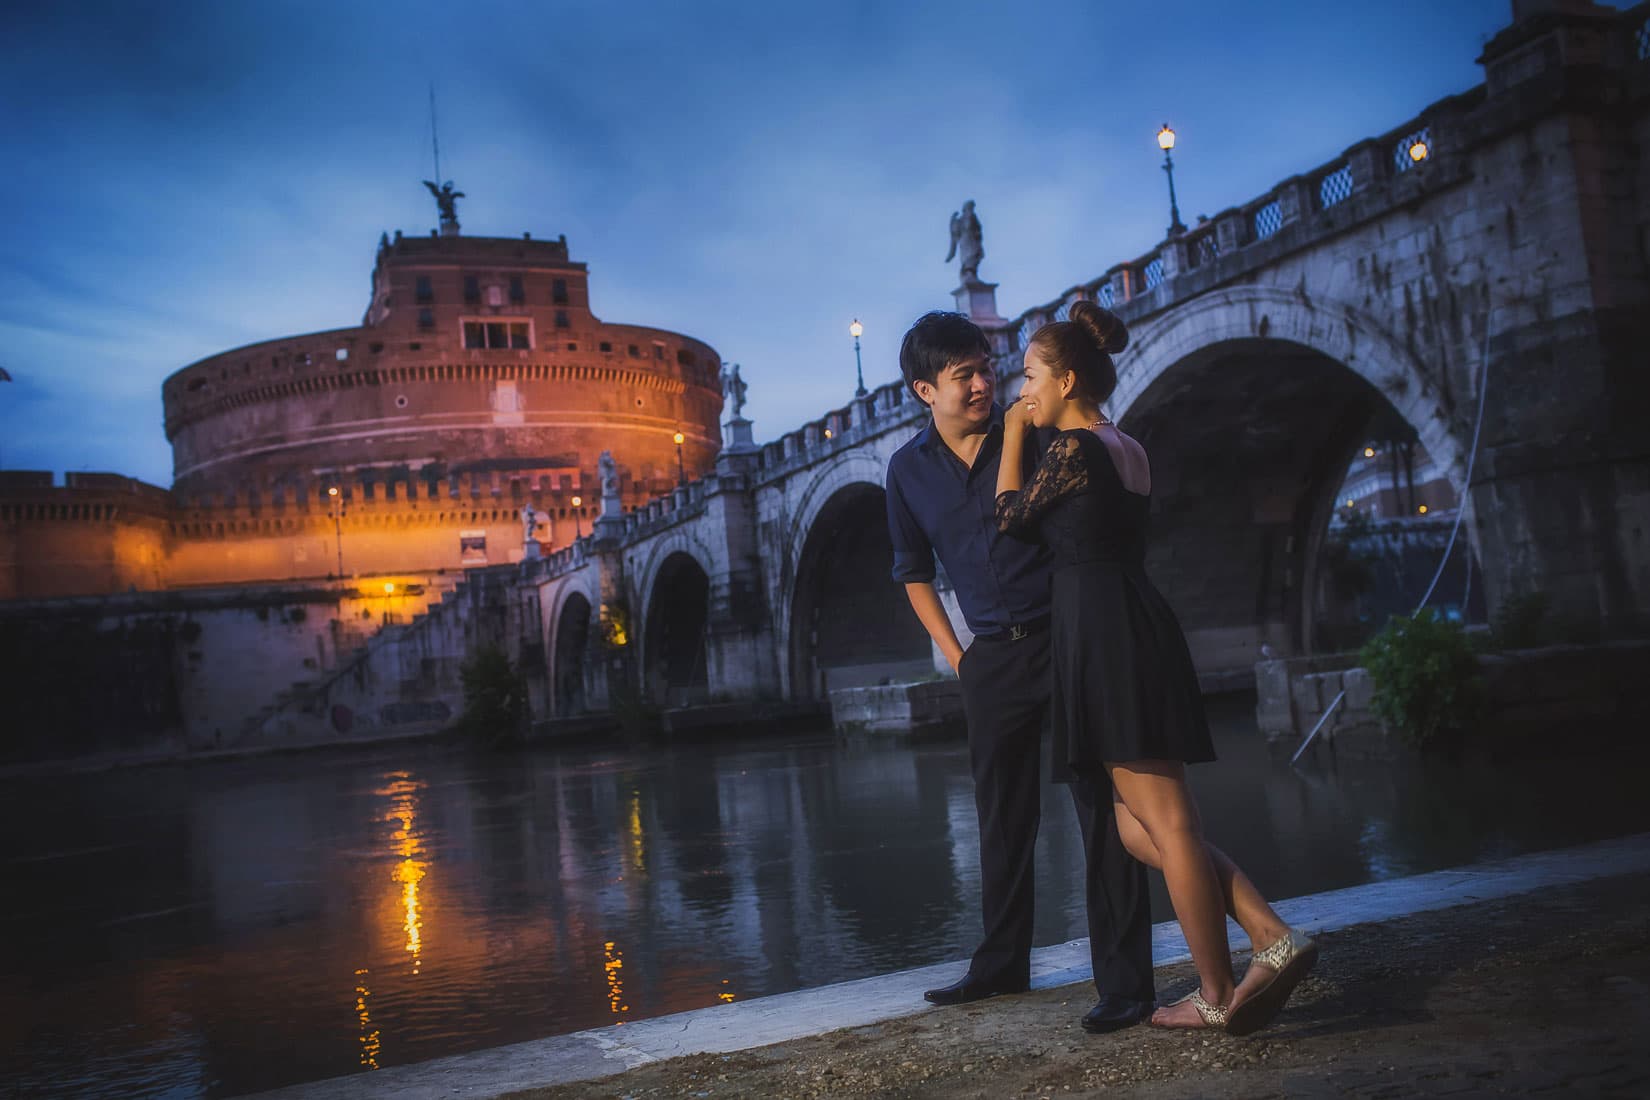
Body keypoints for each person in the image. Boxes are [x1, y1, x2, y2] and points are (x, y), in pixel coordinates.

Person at [993, 300, 1317, 1033]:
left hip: (1105, 632)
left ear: (1067, 378)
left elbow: (1010, 521)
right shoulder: (1125, 445)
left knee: (1164, 823)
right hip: (1126, 621)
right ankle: (1270, 934)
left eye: (1031, 377)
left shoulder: (1073, 450)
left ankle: (1215, 993)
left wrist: (1013, 434)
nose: (1024, 392)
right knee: (1141, 827)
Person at [885, 311, 1156, 1033]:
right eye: (962, 375)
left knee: (1102, 811)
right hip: (990, 659)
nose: (983, 384)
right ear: (923, 390)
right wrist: (959, 655)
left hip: (1067, 637)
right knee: (1003, 818)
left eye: (985, 368)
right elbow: (912, 572)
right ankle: (1001, 965)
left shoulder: (1042, 436)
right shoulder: (906, 471)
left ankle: (1126, 984)